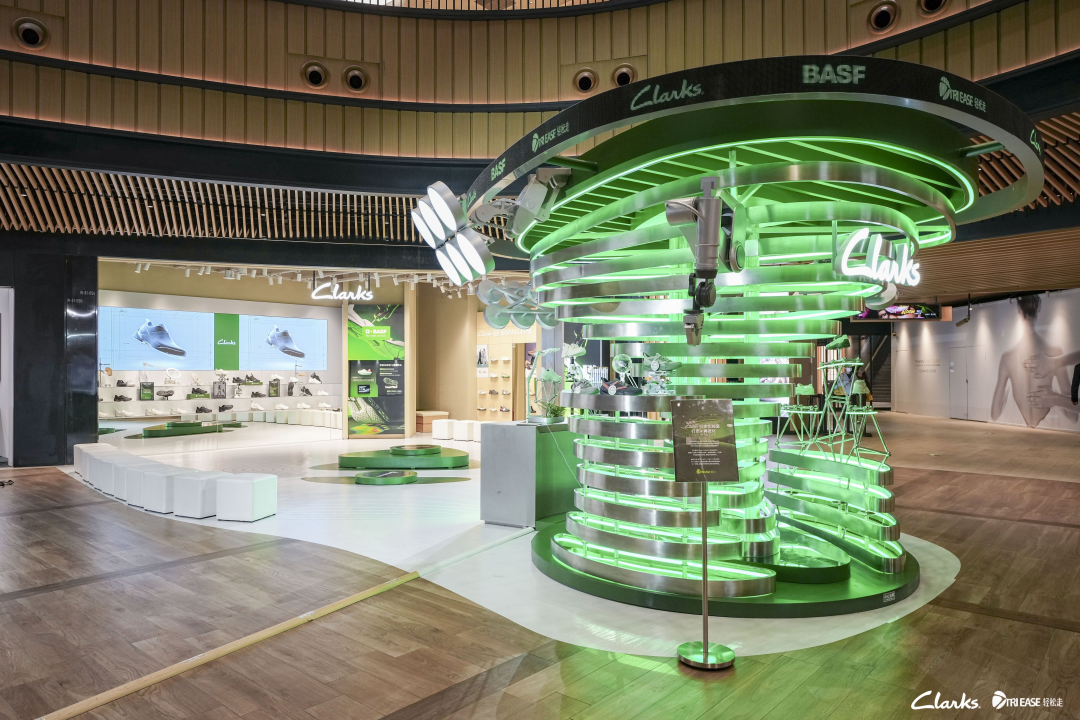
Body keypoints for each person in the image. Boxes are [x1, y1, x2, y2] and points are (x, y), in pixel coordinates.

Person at [991, 295, 1078, 427]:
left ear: (1019, 310)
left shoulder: (1007, 358)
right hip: (1048, 424)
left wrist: (1006, 398)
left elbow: (994, 414)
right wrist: (1057, 399)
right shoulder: (1054, 353)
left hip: (1020, 424)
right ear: (1038, 309)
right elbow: (1073, 417)